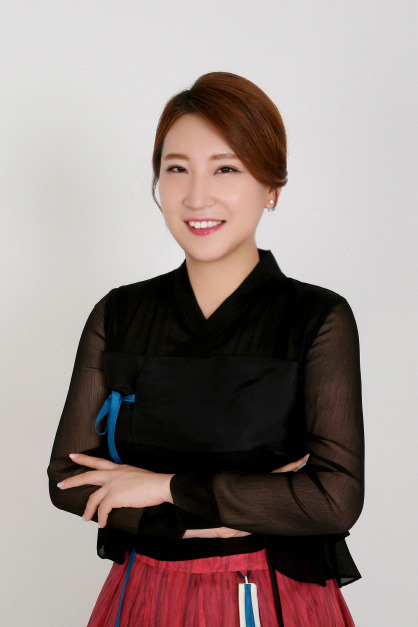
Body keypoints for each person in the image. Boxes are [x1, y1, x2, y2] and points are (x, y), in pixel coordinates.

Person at [48, 72, 364, 627]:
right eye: (177, 169)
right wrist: (226, 513)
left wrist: (162, 487)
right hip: (143, 594)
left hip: (274, 598)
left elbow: (333, 500)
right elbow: (67, 480)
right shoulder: (119, 314)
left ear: (272, 187)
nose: (196, 196)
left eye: (226, 168)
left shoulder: (317, 318)